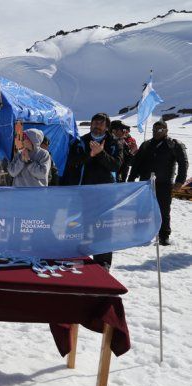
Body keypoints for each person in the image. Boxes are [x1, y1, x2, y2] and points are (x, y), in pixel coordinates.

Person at [60, 112, 123, 269]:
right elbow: (72, 162)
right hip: (83, 193)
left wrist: (101, 154)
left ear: (107, 127)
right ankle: (80, 260)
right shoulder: (81, 141)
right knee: (80, 227)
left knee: (103, 230)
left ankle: (103, 264)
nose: (96, 126)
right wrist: (90, 154)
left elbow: (116, 165)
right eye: (94, 123)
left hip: (105, 194)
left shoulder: (114, 143)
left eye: (100, 124)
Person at [128, 120, 188, 245]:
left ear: (166, 130)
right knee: (142, 209)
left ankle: (164, 235)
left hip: (164, 183)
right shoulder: (146, 145)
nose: (156, 132)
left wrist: (180, 181)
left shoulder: (173, 144)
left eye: (160, 130)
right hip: (145, 183)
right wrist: (131, 179)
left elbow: (183, 163)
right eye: (154, 130)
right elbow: (137, 164)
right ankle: (140, 233)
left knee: (163, 210)